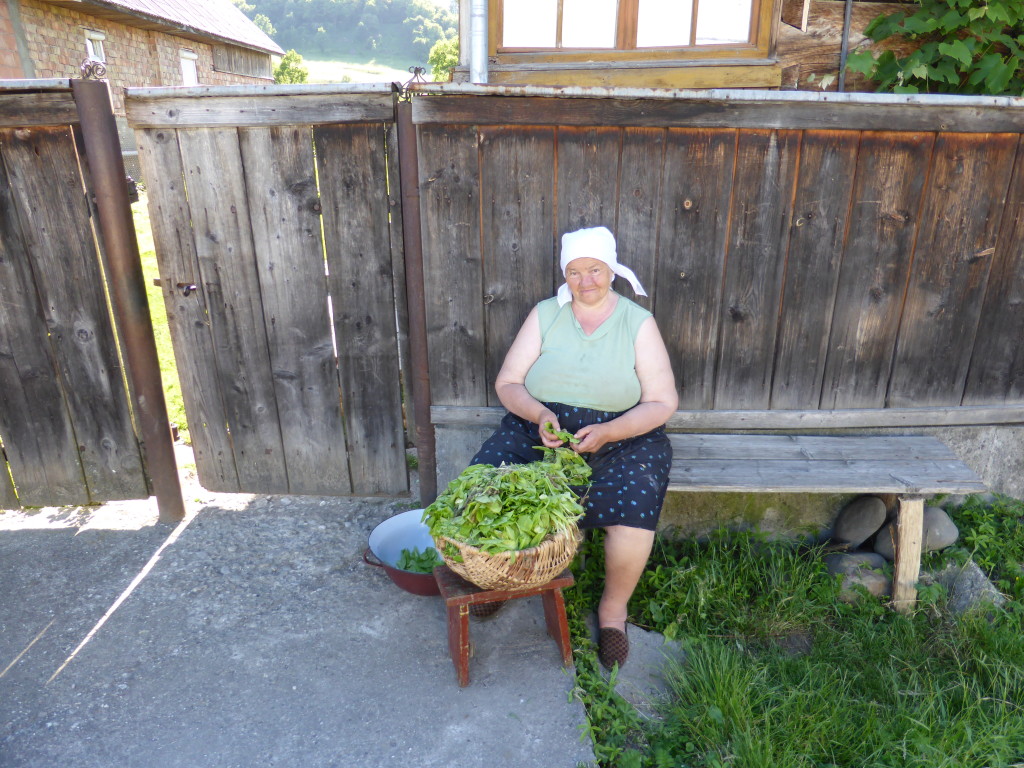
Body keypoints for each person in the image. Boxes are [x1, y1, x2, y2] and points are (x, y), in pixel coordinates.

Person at [469, 225, 678, 669]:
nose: (586, 281)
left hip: (622, 435)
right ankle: (498, 579)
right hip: (541, 427)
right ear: (565, 274)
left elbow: (662, 402)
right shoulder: (545, 313)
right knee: (484, 485)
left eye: (595, 270)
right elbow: (508, 382)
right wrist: (539, 415)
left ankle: (612, 612)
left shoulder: (637, 321)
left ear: (612, 270)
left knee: (632, 511)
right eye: (575, 272)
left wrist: (610, 432)